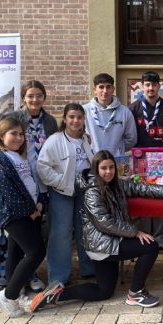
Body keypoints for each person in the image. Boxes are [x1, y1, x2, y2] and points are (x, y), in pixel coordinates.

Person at [30, 151, 163, 311]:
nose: (108, 172)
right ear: (96, 170)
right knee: (150, 246)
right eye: (104, 168)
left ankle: (57, 295)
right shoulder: (92, 191)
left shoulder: (115, 183)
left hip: (107, 243)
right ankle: (136, 292)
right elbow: (105, 223)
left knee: (104, 291)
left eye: (111, 167)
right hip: (103, 244)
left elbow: (136, 187)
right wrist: (135, 232)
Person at [0, 117, 46, 317]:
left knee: (16, 253)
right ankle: (8, 295)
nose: (19, 138)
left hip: (29, 210)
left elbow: (28, 182)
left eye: (21, 134)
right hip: (15, 214)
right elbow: (9, 191)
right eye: (13, 134)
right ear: (1, 136)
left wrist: (39, 202)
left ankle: (14, 295)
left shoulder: (18, 156)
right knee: (36, 252)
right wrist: (31, 210)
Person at [7, 80, 58, 292]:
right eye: (30, 96)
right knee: (19, 235)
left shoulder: (50, 121)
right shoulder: (14, 119)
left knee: (36, 231)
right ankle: (14, 280)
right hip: (21, 180)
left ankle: (32, 273)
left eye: (39, 95)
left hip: (42, 182)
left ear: (44, 98)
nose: (35, 100)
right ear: (23, 98)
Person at [37, 103, 95, 284]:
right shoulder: (55, 140)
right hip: (62, 192)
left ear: (84, 119)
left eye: (79, 117)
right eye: (71, 117)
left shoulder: (86, 139)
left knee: (84, 229)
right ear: (65, 119)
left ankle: (88, 268)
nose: (75, 121)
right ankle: (59, 276)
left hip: (83, 191)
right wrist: (60, 182)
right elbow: (42, 167)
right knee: (61, 233)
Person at [129, 71, 163, 249]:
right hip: (140, 161)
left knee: (162, 195)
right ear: (142, 86)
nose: (150, 88)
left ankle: (161, 238)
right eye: (147, 84)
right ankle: (145, 236)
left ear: (159, 86)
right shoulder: (133, 109)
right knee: (143, 196)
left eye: (154, 84)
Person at [83, 73, 137, 156]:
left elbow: (131, 139)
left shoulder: (125, 112)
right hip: (91, 160)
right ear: (95, 90)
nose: (105, 91)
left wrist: (118, 150)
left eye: (108, 87)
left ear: (113, 89)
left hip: (116, 162)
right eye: (101, 87)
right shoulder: (84, 110)